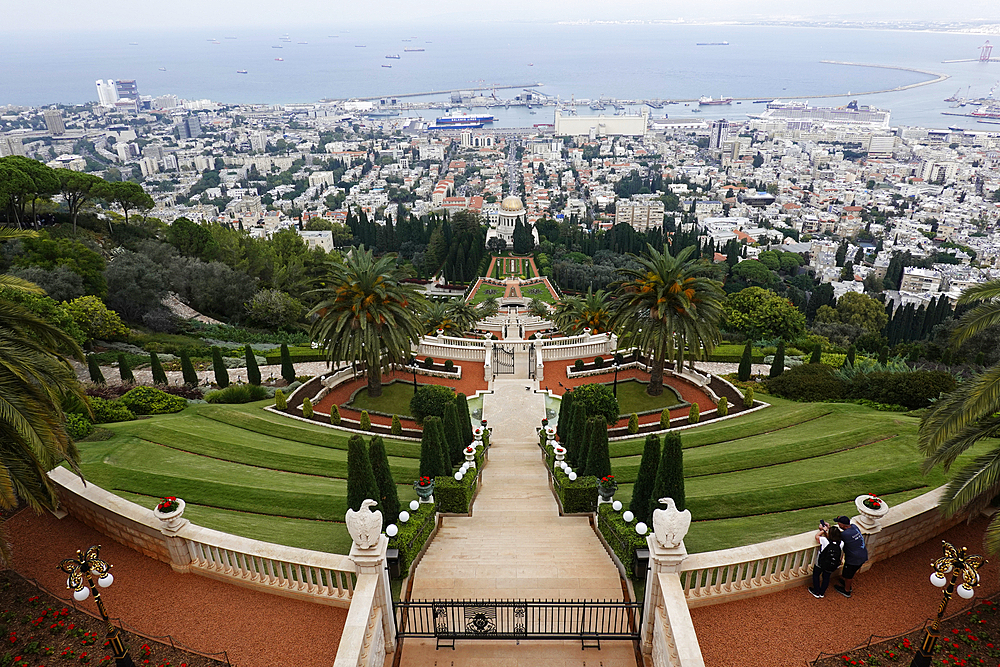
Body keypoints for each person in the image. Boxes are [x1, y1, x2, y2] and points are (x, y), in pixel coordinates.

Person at [834, 515, 869, 599]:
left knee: (849, 575)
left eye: (839, 523)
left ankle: (846, 590)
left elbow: (834, 538)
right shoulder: (854, 527)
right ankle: (845, 582)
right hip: (863, 555)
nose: (838, 524)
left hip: (854, 559)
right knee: (848, 572)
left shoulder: (845, 534)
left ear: (843, 525)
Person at [809, 523, 842, 598]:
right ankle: (822, 593)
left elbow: (817, 537)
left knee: (816, 574)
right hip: (832, 564)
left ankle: (816, 591)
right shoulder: (841, 543)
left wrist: (823, 530)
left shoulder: (824, 540)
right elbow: (832, 540)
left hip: (821, 562)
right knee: (826, 577)